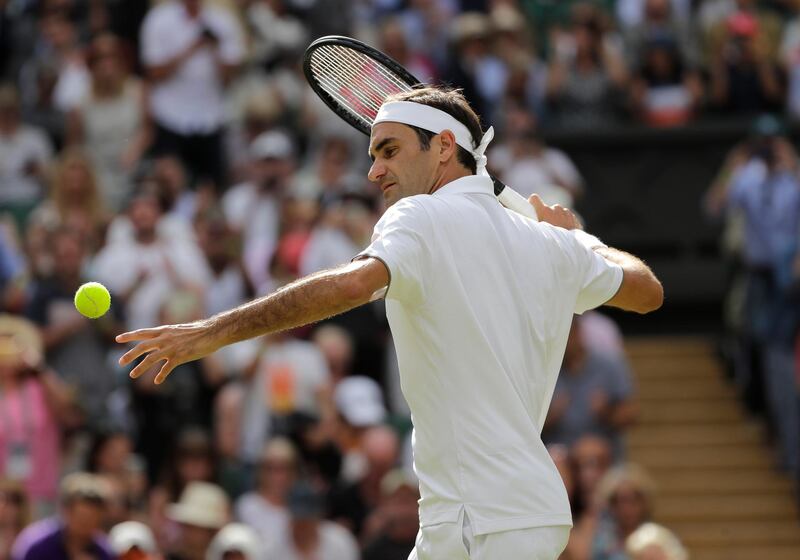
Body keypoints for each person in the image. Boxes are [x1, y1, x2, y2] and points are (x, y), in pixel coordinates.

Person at [117, 86, 663, 559]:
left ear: (445, 148)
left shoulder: (416, 214)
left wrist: (211, 332)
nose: (374, 170)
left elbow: (354, 283)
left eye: (389, 150)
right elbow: (647, 292)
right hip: (505, 515)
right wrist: (576, 239)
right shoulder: (549, 243)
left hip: (481, 520)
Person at [10, 472, 114, 560]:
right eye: (81, 517)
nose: (85, 524)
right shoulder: (35, 544)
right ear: (66, 511)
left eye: (92, 518)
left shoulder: (104, 550)